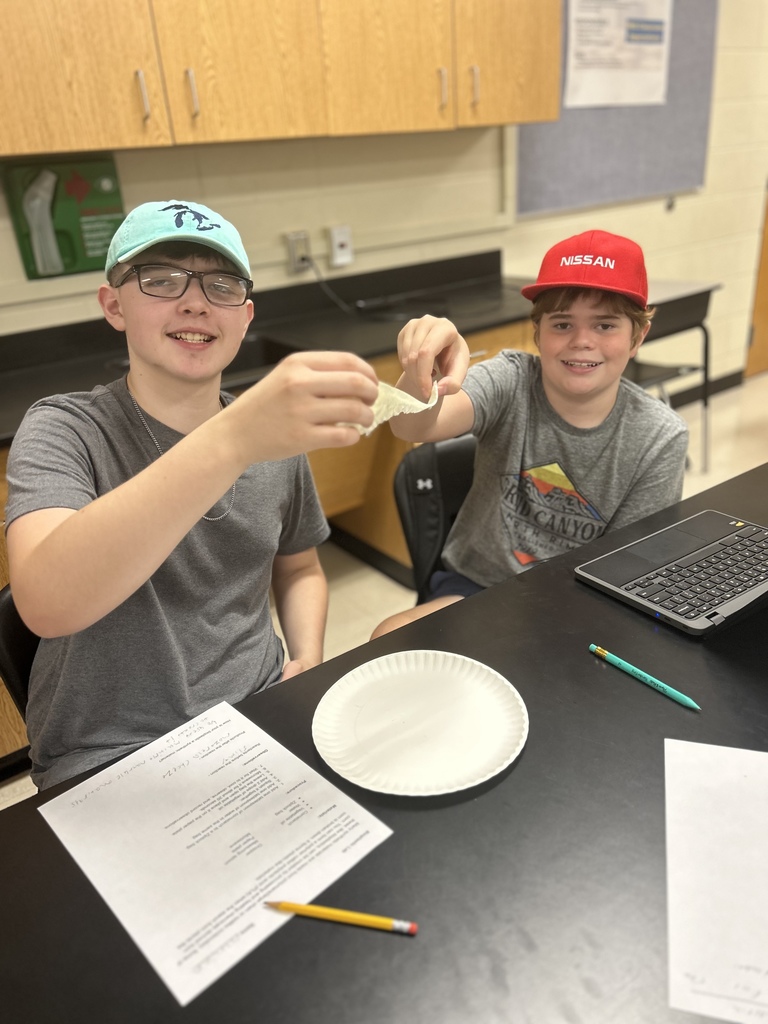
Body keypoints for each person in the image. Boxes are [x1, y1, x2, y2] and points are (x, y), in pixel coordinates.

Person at [5, 199, 379, 789]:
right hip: (109, 747)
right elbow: (48, 603)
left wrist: (307, 658)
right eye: (160, 279)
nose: (196, 301)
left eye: (221, 284)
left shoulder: (271, 435)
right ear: (113, 305)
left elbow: (300, 566)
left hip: (258, 707)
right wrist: (232, 440)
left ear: (245, 316)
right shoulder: (65, 429)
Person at [372, 229, 689, 637]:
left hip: (581, 604)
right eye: (562, 323)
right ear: (538, 332)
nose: (582, 341)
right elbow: (411, 424)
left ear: (637, 337)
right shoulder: (511, 379)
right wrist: (424, 366)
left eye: (605, 325)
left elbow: (626, 568)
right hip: (476, 588)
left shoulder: (660, 438)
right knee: (390, 635)